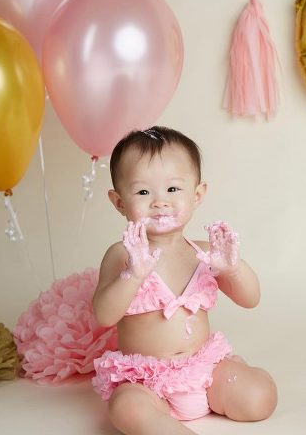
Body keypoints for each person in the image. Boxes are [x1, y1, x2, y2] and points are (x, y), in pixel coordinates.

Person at [92, 126, 277, 434]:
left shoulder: (203, 252)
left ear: (197, 195)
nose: (160, 202)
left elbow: (251, 299)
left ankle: (232, 377)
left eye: (173, 189)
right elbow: (103, 315)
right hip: (146, 381)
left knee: (260, 396)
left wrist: (232, 269)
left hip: (204, 370)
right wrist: (132, 276)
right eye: (143, 192)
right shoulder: (122, 255)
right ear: (119, 202)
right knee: (126, 408)